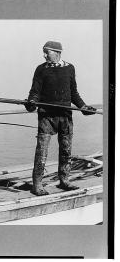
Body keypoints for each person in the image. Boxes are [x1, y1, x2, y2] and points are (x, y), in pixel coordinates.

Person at [25, 41, 96, 196]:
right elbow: (34, 92)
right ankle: (37, 185)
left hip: (65, 116)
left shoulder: (70, 68)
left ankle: (64, 181)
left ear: (57, 53)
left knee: (65, 150)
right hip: (46, 116)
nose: (44, 55)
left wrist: (83, 107)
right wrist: (31, 103)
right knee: (41, 151)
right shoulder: (41, 69)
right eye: (43, 52)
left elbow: (74, 92)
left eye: (47, 52)